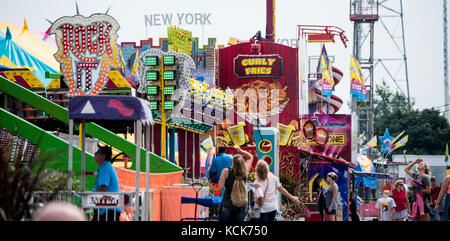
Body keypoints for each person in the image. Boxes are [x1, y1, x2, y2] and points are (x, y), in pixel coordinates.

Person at [217, 145, 253, 221]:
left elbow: (220, 187)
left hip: (227, 204)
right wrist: (240, 150)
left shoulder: (226, 171)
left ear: (232, 162)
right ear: (243, 162)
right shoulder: (245, 171)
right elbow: (250, 157)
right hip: (242, 204)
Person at [92, 144, 121, 221]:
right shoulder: (106, 167)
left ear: (103, 156)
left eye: (98, 152)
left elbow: (103, 188)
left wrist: (92, 198)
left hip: (108, 210)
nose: (95, 153)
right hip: (108, 208)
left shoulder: (105, 168)